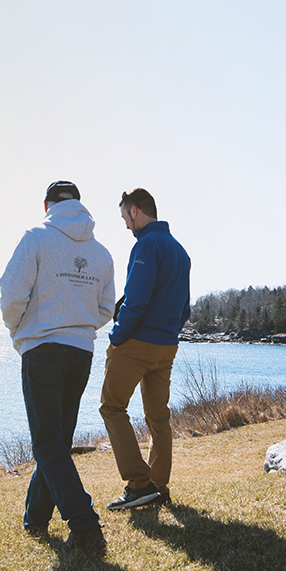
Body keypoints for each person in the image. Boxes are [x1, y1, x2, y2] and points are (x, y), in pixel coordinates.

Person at [0, 181, 115, 552]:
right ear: (78, 204)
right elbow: (105, 309)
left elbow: (11, 293)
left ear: (46, 204)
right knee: (57, 441)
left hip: (42, 348)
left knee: (48, 442)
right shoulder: (101, 253)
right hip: (80, 353)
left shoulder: (36, 238)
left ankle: (85, 527)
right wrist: (78, 327)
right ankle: (36, 518)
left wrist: (21, 330)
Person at [100, 187, 191, 510]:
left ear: (136, 211)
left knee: (111, 407)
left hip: (137, 343)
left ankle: (140, 484)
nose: (125, 224)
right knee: (158, 417)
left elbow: (135, 301)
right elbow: (185, 311)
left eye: (125, 216)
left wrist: (116, 335)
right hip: (167, 346)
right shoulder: (180, 250)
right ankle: (159, 487)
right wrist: (168, 334)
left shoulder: (147, 245)